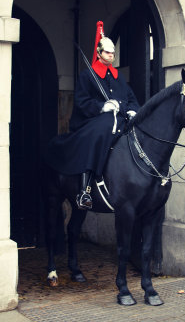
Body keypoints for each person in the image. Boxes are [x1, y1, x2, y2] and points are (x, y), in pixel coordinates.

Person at [46, 21, 139, 210]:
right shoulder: (87, 76)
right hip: (93, 120)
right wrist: (102, 106)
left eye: (113, 53)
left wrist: (132, 109)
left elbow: (130, 97)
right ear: (98, 53)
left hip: (120, 118)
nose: (111, 55)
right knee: (102, 127)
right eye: (107, 52)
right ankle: (85, 189)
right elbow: (81, 101)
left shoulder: (117, 76)